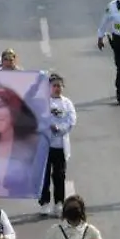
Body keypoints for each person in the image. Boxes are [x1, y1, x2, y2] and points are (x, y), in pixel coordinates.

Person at [41, 73, 77, 217]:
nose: (57, 88)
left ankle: (59, 203)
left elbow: (72, 120)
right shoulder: (43, 102)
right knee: (44, 176)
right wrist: (48, 125)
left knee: (59, 175)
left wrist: (60, 128)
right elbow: (37, 118)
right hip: (45, 145)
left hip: (60, 146)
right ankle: (44, 202)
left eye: (59, 86)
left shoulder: (67, 103)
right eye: (54, 86)